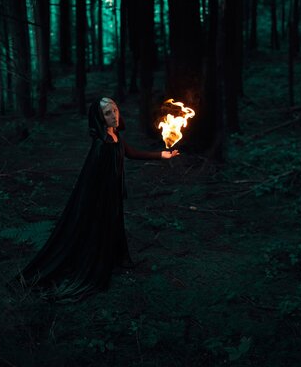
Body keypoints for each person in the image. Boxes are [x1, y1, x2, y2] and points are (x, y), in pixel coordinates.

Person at [11, 97, 179, 302]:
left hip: (112, 197)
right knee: (99, 232)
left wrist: (162, 155)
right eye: (107, 113)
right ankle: (96, 268)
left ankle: (111, 261)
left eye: (115, 110)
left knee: (113, 229)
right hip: (100, 200)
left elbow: (132, 153)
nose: (113, 116)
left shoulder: (114, 136)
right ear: (100, 118)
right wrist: (98, 202)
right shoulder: (101, 145)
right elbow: (90, 178)